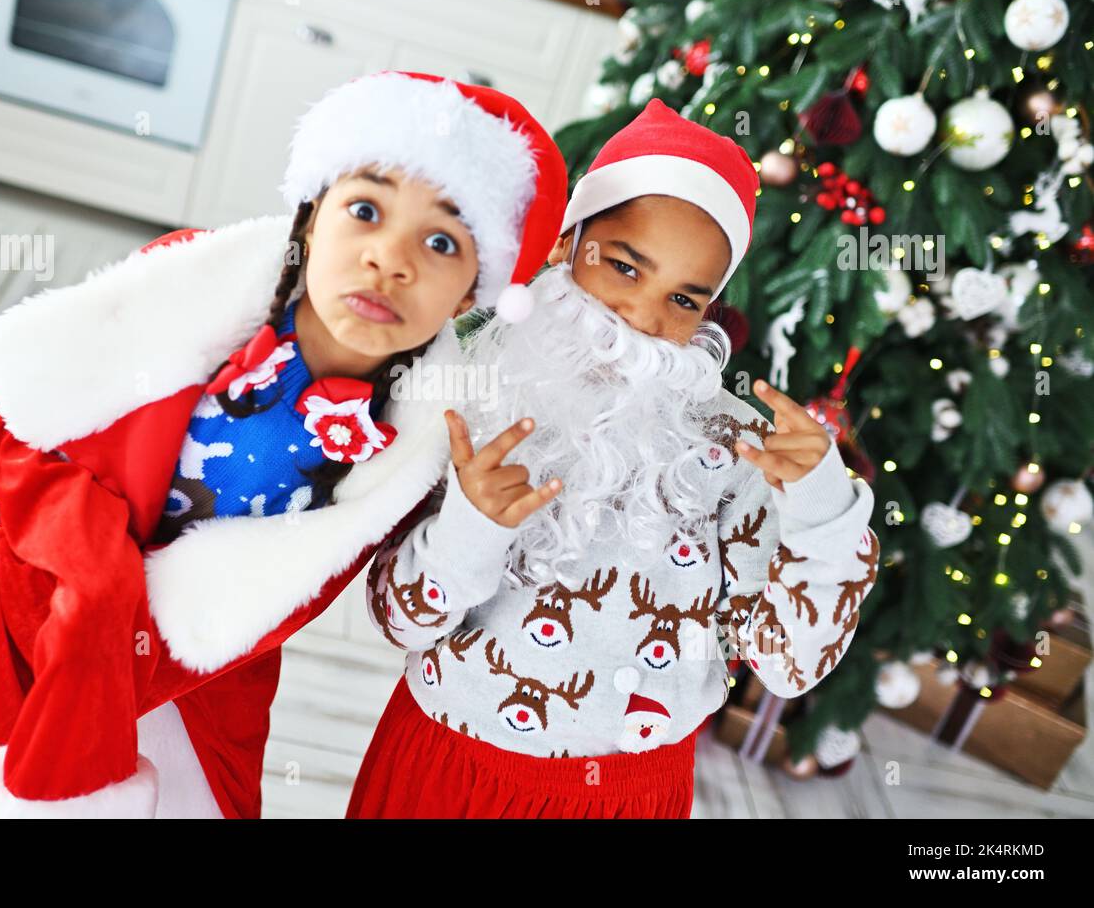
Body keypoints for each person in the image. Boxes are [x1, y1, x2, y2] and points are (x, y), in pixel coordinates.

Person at [0, 70, 568, 818]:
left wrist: (474, 518)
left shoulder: (421, 438)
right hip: (42, 599)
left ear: (472, 292)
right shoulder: (191, 285)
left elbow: (410, 603)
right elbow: (24, 409)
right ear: (311, 213)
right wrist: (94, 579)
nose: (390, 259)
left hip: (198, 675)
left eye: (441, 243)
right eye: (366, 211)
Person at [346, 98, 881, 819]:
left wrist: (822, 512)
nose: (645, 318)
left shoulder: (735, 447)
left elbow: (791, 664)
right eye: (625, 267)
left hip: (628, 796)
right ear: (569, 243)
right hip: (447, 766)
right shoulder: (462, 390)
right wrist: (469, 528)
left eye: (685, 300)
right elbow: (397, 621)